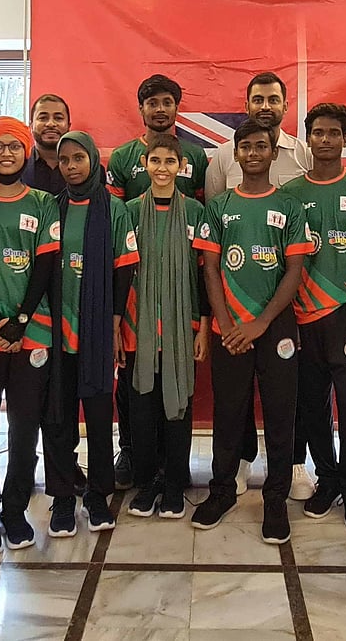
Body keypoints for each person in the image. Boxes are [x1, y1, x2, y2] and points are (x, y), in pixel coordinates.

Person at [192, 119, 311, 544]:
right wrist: (226, 322)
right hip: (230, 326)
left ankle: (275, 499)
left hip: (274, 323)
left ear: (273, 152)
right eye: (247, 146)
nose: (254, 153)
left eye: (263, 146)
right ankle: (222, 490)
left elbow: (295, 270)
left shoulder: (291, 206)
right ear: (236, 153)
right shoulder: (219, 206)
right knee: (229, 411)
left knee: (281, 414)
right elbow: (209, 268)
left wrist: (260, 323)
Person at [281, 103, 346, 532]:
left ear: (345, 139)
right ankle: (327, 480)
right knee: (312, 405)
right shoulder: (290, 192)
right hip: (303, 313)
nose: (325, 140)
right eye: (318, 133)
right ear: (309, 139)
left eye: (333, 133)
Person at [0, 116, 59, 556]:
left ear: (27, 153)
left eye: (14, 147)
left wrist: (20, 319)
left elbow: (46, 266)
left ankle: (14, 511)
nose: (6, 153)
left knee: (25, 427)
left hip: (32, 333)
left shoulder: (43, 203)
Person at [107, 74, 209, 491]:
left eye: (168, 101)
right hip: (137, 305)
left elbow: (204, 260)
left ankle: (174, 471)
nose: (160, 109)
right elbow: (116, 241)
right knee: (134, 393)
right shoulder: (123, 170)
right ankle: (134, 457)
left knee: (177, 394)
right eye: (153, 103)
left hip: (180, 300)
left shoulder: (197, 163)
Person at [43, 131, 138, 537]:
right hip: (55, 330)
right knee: (58, 418)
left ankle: (97, 496)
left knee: (100, 419)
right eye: (64, 159)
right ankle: (63, 498)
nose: (71, 165)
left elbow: (124, 268)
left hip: (98, 330)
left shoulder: (114, 209)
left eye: (78, 157)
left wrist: (115, 322)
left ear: (93, 160)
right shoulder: (51, 207)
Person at [122, 133, 211, 519]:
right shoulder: (126, 212)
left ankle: (175, 482)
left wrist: (204, 327)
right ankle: (148, 482)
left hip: (181, 327)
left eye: (169, 162)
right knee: (142, 409)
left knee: (177, 407)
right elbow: (120, 273)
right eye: (155, 161)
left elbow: (208, 274)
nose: (162, 168)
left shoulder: (195, 213)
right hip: (136, 327)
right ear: (144, 165)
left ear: (182, 167)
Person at [22, 93, 72, 195]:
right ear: (31, 125)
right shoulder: (18, 166)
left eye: (58, 118)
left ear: (68, 125)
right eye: (43, 118)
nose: (50, 124)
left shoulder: (84, 169)